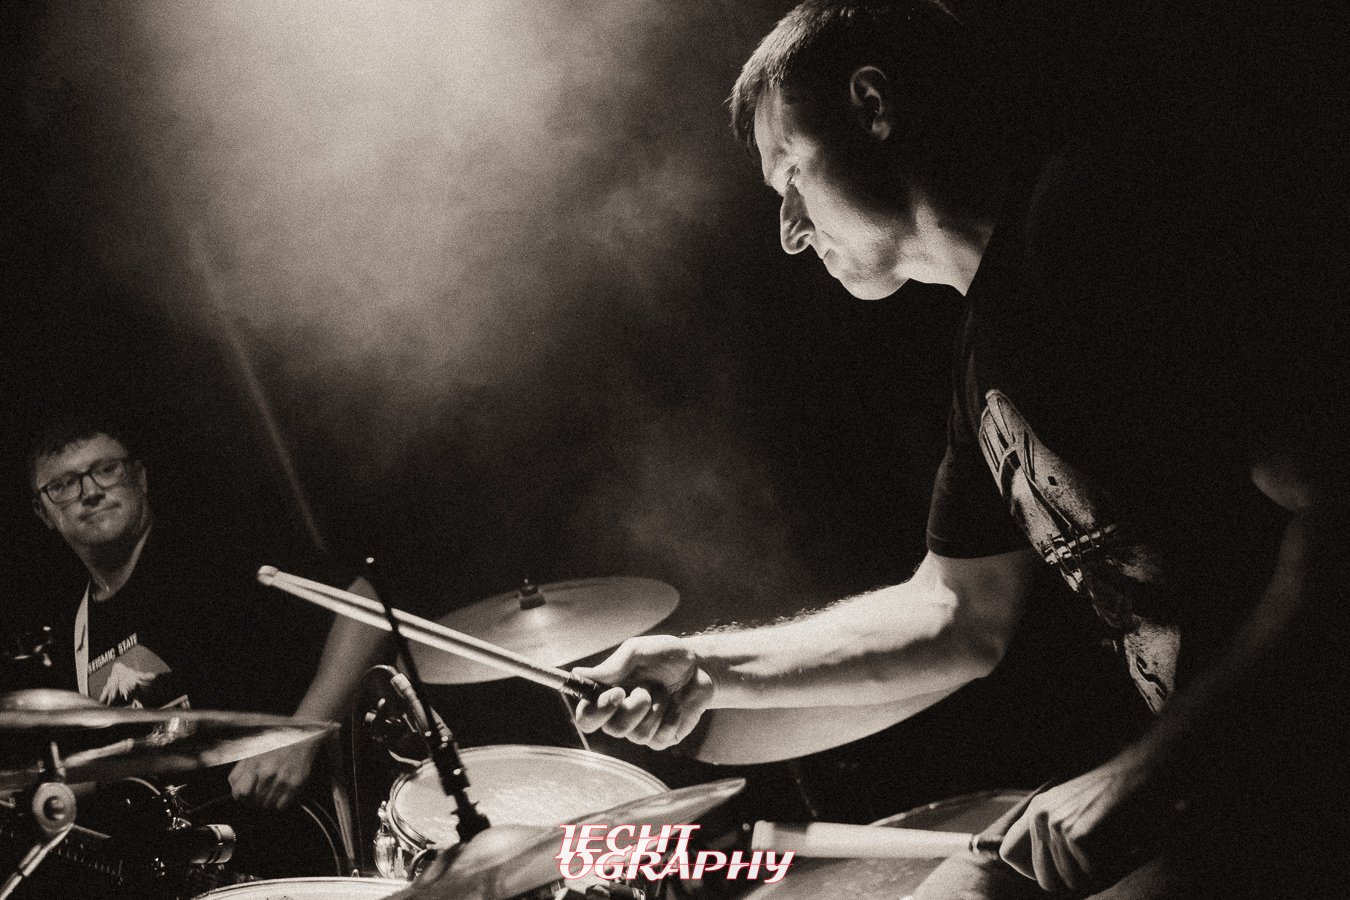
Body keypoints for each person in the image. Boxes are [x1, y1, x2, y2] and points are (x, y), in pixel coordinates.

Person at [572, 2, 1348, 897]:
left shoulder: (1091, 223)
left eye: (790, 172)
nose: (789, 229)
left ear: (872, 106)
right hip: (1209, 794)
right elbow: (959, 613)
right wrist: (704, 669)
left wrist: (1152, 771)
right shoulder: (988, 349)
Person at [24, 412, 389, 811]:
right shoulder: (73, 635)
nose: (90, 491)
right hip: (198, 841)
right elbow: (117, 762)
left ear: (140, 478)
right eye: (63, 485)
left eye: (106, 470)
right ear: (43, 513)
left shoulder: (215, 546)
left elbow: (363, 602)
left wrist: (302, 737)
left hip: (305, 820)